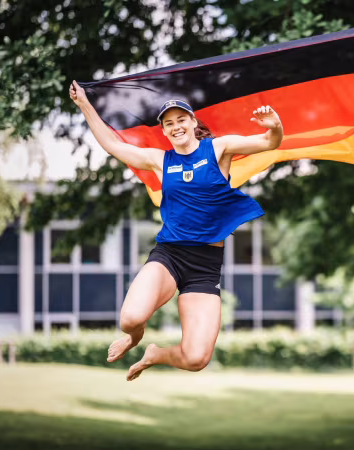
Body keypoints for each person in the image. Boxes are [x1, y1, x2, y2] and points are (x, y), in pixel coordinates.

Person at [69, 81, 283, 381]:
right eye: (168, 124)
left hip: (204, 267)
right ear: (165, 131)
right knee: (130, 319)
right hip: (169, 256)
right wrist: (85, 106)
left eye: (181, 119)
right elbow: (114, 146)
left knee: (196, 358)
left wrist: (275, 126)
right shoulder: (160, 160)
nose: (175, 126)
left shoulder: (218, 149)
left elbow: (269, 143)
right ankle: (135, 338)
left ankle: (155, 354)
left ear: (193, 122)